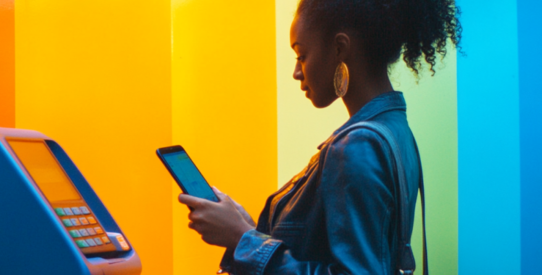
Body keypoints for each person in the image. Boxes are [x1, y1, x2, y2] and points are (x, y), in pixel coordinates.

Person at [177, 0, 461, 273]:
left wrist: (241, 239)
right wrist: (247, 228)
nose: (296, 72)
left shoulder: (356, 147)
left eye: (301, 55)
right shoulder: (395, 129)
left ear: (340, 47)